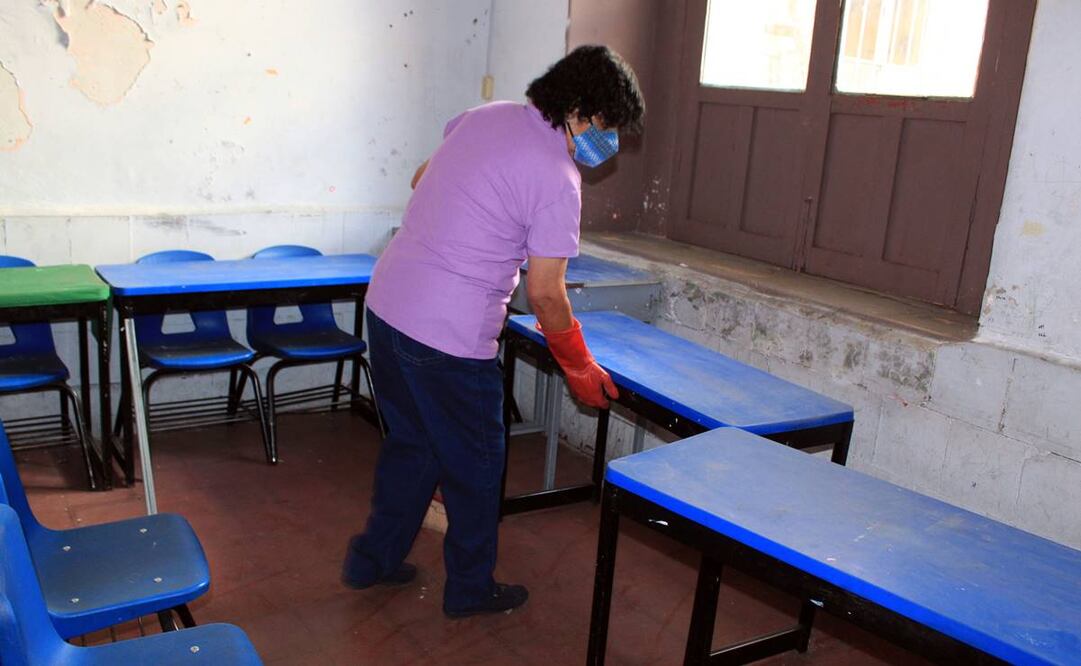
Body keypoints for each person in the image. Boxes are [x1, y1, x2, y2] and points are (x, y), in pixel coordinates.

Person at [341, 44, 645, 618]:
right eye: (606, 127)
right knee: (477, 465)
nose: (609, 143)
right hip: (447, 336)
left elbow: (420, 177)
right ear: (579, 109)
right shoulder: (559, 178)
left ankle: (371, 562)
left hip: (387, 308)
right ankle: (470, 590)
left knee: (412, 445)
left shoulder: (487, 116)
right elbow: (547, 293)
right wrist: (578, 364)